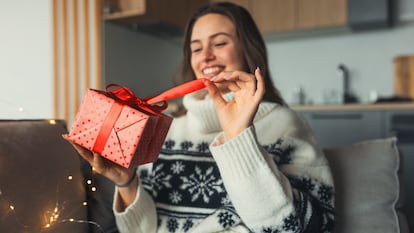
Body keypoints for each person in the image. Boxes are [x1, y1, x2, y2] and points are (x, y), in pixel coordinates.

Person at [67, 2, 335, 232]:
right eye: (196, 48)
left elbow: (299, 226)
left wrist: (238, 138)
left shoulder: (284, 125)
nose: (206, 56)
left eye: (219, 43)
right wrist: (126, 181)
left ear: (248, 50)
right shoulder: (166, 130)